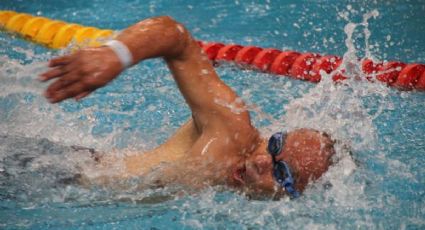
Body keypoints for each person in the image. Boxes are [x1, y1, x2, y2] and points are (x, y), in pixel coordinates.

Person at [39, 16, 335, 199]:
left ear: (295, 195)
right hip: (52, 171)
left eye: (282, 172)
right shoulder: (232, 132)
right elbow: (175, 35)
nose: (261, 162)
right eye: (274, 146)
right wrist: (115, 55)